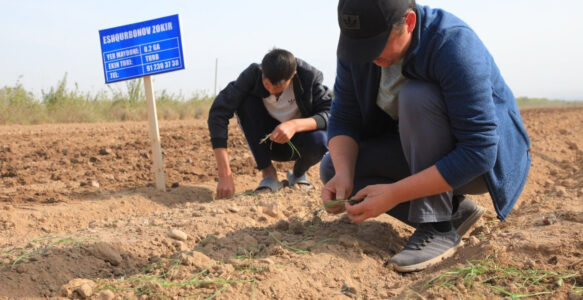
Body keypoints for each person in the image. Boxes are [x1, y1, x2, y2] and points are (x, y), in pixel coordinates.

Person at [321, 0, 531, 272]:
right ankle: (456, 212)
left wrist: (395, 193)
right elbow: (344, 118)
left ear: (409, 23)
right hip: (418, 149)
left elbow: (479, 150)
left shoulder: (451, 42)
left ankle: (437, 227)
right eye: (360, 46)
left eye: (376, 44)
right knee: (333, 166)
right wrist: (344, 174)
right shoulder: (359, 50)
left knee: (416, 97)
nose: (369, 56)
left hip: (480, 164)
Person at [208, 48, 332, 199]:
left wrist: (294, 125)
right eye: (267, 85)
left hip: (299, 143)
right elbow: (218, 113)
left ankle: (298, 174)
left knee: (320, 139)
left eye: (279, 87)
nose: (272, 90)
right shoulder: (252, 75)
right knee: (245, 103)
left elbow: (329, 113)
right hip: (265, 143)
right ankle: (269, 174)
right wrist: (225, 175)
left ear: (293, 75)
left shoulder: (309, 77)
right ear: (262, 73)